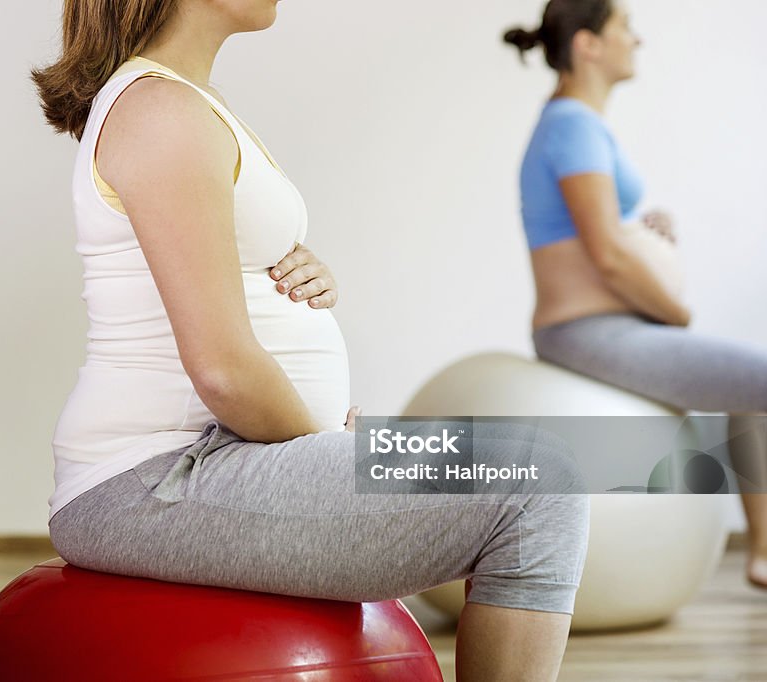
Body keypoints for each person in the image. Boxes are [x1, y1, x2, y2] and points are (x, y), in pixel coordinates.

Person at [34, 1, 590, 679]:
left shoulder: (186, 102)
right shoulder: (160, 112)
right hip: (159, 478)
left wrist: (296, 272)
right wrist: (331, 446)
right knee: (539, 482)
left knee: (547, 468)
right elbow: (223, 371)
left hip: (220, 457)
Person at [505, 0, 767, 587]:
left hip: (608, 325)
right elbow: (608, 256)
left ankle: (763, 553)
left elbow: (607, 236)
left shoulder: (575, 123)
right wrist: (675, 310)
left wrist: (647, 233)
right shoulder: (573, 123)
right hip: (586, 331)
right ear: (588, 44)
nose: (637, 40)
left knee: (748, 386)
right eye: (625, 27)